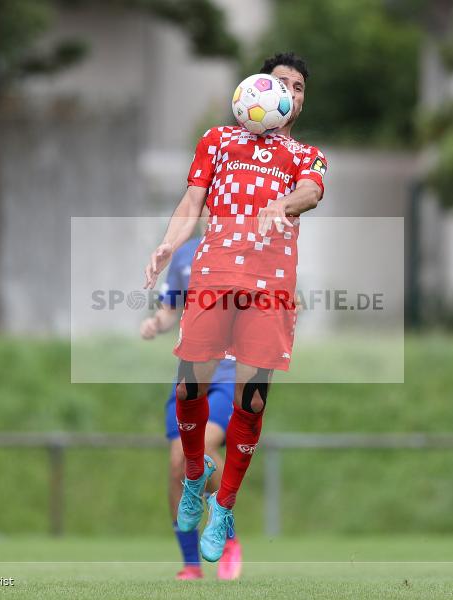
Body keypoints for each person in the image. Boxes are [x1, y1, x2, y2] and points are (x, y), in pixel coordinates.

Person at [143, 52, 327, 562]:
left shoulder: (306, 155)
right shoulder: (216, 140)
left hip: (269, 288)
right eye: (279, 82)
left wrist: (282, 204)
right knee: (188, 386)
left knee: (252, 403)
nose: (287, 92)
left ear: (298, 102)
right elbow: (191, 201)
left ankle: (223, 507)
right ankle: (197, 474)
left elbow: (311, 192)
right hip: (214, 276)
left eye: (298, 87)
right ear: (255, 90)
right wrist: (167, 244)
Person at [139, 233, 243, 580]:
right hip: (191, 369)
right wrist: (157, 323)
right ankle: (191, 563)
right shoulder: (185, 254)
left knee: (207, 445)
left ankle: (225, 530)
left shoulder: (248, 248)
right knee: (175, 465)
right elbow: (171, 307)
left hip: (230, 370)